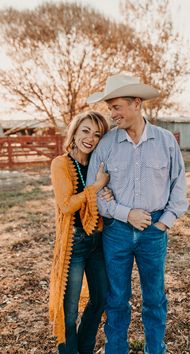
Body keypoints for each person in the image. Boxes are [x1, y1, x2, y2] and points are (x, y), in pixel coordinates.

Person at [86, 73, 189, 354]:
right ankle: (116, 349)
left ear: (136, 103)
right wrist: (124, 213)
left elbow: (179, 184)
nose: (112, 114)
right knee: (117, 298)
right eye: (110, 108)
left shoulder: (166, 141)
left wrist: (165, 223)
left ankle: (155, 349)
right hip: (116, 231)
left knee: (154, 298)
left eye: (117, 107)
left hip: (154, 232)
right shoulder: (106, 144)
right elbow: (93, 189)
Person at [49, 111, 112, 354]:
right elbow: (66, 205)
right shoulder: (61, 164)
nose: (90, 138)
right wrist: (97, 186)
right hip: (74, 243)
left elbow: (102, 198)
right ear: (74, 132)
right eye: (85, 131)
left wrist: (106, 193)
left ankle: (84, 349)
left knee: (101, 298)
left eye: (97, 134)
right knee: (70, 310)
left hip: (97, 241)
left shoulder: (98, 162)